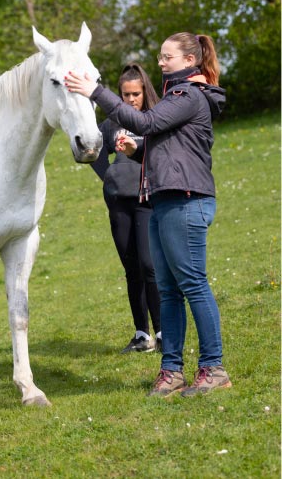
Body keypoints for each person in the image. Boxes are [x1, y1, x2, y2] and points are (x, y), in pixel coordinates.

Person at [64, 32, 231, 397]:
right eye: (160, 55)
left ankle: (213, 367)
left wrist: (95, 91)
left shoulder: (188, 95)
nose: (160, 61)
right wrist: (137, 152)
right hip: (163, 200)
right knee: (169, 291)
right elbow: (166, 148)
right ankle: (171, 371)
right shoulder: (177, 96)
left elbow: (147, 124)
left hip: (185, 201)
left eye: (167, 56)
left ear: (189, 61)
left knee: (192, 285)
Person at [91, 64, 162, 354]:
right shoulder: (111, 124)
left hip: (147, 200)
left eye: (135, 93)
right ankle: (142, 335)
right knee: (131, 268)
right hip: (118, 202)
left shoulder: (154, 120)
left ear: (145, 91)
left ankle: (163, 332)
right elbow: (94, 150)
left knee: (149, 266)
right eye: (125, 94)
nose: (131, 99)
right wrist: (108, 174)